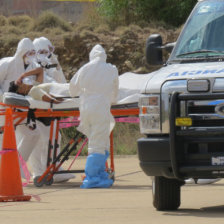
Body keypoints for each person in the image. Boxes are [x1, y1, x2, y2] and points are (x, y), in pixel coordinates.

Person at [69, 44, 119, 188]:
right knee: (98, 143)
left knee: (96, 141)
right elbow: (115, 91)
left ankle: (100, 173)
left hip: (86, 108)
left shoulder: (85, 68)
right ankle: (92, 178)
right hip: (100, 108)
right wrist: (113, 100)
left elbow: (72, 89)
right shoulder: (111, 69)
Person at [30, 37, 74, 183]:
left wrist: (57, 68)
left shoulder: (50, 64)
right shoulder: (31, 65)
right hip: (35, 110)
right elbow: (41, 84)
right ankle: (38, 172)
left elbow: (61, 84)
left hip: (50, 108)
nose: (46, 54)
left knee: (56, 138)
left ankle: (54, 168)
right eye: (42, 51)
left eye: (48, 51)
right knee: (38, 140)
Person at [0, 38, 42, 178]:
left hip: (22, 108)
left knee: (33, 134)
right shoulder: (6, 63)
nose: (31, 55)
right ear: (22, 52)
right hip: (3, 108)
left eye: (33, 52)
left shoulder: (32, 67)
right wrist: (3, 99)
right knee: (3, 141)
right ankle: (6, 174)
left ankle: (15, 167)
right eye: (28, 52)